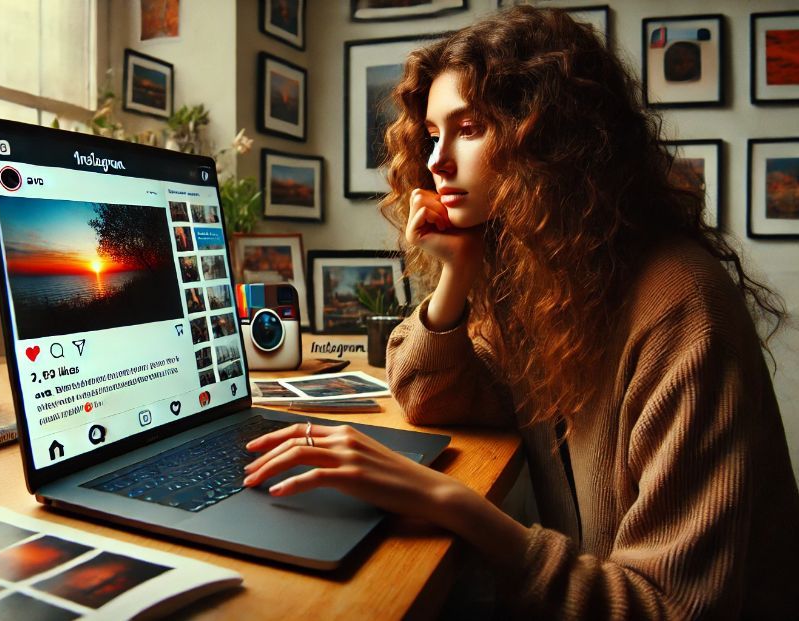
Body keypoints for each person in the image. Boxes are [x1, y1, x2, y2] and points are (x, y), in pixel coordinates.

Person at [242, 6, 799, 618]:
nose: (436, 161)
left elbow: (670, 609)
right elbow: (433, 396)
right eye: (433, 134)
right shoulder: (552, 281)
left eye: (470, 127)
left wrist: (451, 502)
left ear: (552, 138)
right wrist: (459, 270)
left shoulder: (681, 310)